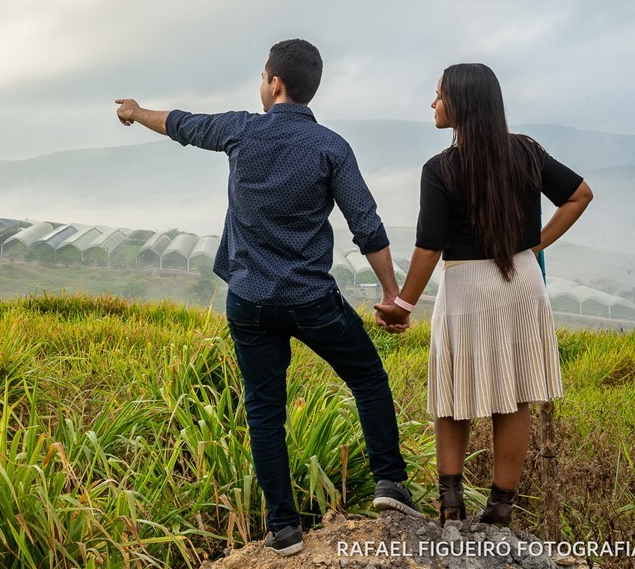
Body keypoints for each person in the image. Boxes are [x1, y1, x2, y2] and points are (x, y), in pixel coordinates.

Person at [114, 39, 422, 558]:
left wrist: (135, 111)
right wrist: (394, 295)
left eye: (262, 77)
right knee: (367, 376)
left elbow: (183, 125)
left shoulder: (241, 130)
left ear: (275, 83)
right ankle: (389, 484)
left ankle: (284, 529)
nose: (261, 85)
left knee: (264, 410)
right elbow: (366, 225)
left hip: (249, 301)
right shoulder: (331, 147)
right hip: (311, 299)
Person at [375, 63, 592, 527]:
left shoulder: (440, 169)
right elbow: (579, 195)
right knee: (514, 397)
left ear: (461, 104)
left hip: (467, 288)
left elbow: (430, 245)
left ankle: (451, 508)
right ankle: (499, 511)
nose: (432, 103)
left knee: (453, 394)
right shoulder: (526, 153)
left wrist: (403, 305)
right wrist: (537, 243)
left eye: (437, 95)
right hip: (523, 282)